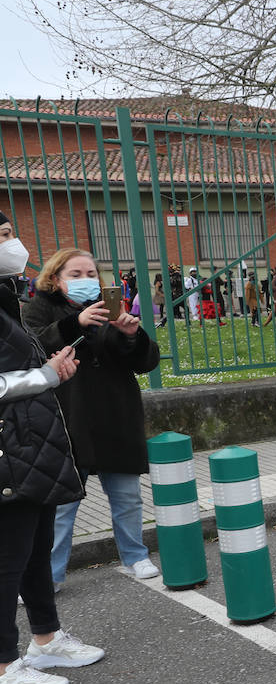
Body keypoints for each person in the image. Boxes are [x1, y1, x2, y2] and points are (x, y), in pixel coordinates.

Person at [0, 217, 105, 684]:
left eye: (9, 234)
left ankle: (45, 637)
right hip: (10, 448)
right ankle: (4, 667)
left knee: (35, 546)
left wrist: (50, 368)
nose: (13, 244)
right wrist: (43, 377)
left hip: (31, 444)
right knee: (8, 559)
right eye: (1, 238)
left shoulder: (5, 300)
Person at [21, 248, 162, 589]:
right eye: (76, 274)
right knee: (62, 506)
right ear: (55, 278)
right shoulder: (38, 308)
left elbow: (144, 363)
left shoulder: (106, 307)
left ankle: (134, 555)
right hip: (68, 417)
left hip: (116, 415)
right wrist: (75, 324)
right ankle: (49, 575)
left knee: (127, 497)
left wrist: (132, 335)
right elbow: (31, 348)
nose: (86, 281)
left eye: (90, 274)